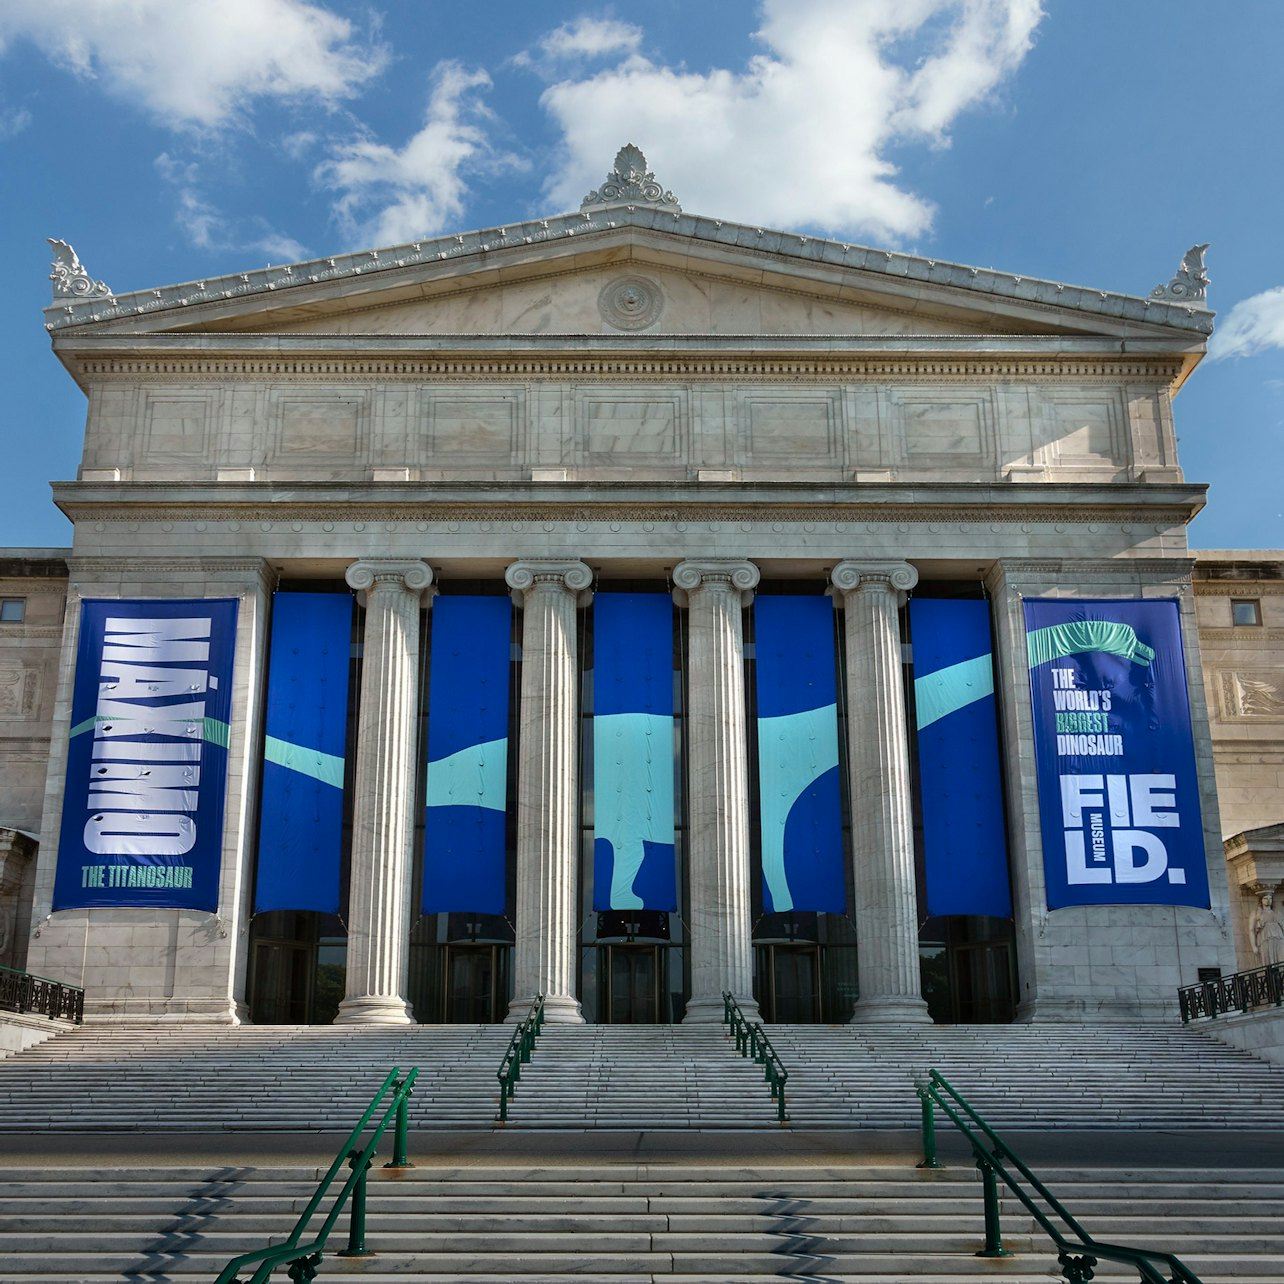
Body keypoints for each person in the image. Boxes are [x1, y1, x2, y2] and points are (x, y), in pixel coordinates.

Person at [1250, 891, 1284, 968]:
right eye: (1265, 898)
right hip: (1264, 938)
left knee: (1281, 958)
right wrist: (1253, 946)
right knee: (1267, 960)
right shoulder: (1256, 913)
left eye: (1270, 898)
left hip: (1278, 937)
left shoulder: (1277, 913)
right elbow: (1251, 930)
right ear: (1261, 900)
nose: (1268, 900)